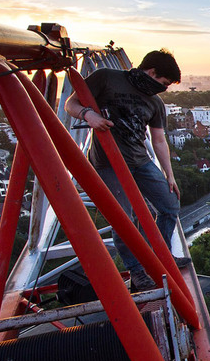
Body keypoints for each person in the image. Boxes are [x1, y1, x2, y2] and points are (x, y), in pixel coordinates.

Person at [65, 49, 190, 291]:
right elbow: (71, 104)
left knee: (170, 204)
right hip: (108, 163)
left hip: (139, 161)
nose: (163, 89)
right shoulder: (107, 78)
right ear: (151, 72)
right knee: (125, 219)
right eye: (163, 83)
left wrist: (169, 175)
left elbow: (159, 141)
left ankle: (162, 255)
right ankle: (137, 271)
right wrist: (88, 115)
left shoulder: (155, 102)